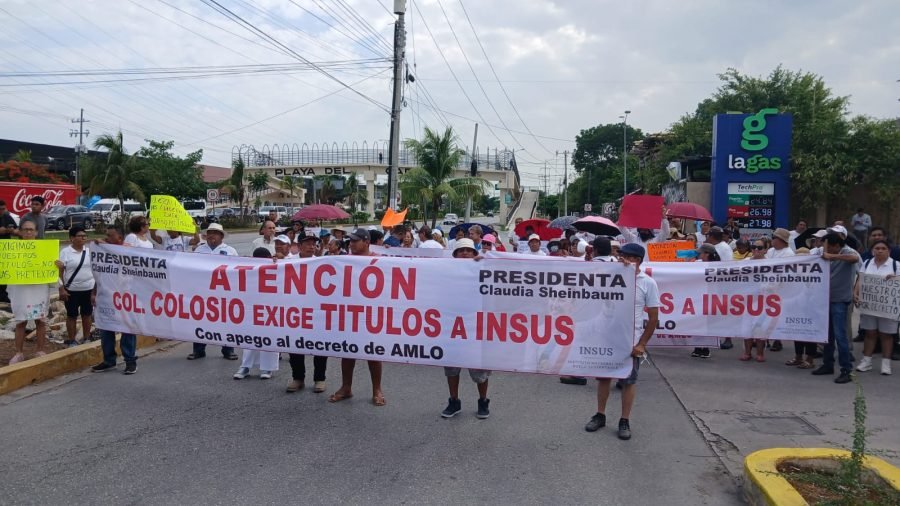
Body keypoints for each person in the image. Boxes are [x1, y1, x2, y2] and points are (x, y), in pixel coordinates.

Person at [584, 243, 660, 440]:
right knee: (603, 378)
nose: (621, 260)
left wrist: (642, 344)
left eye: (627, 257)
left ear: (637, 261)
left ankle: (624, 420)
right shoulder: (611, 277)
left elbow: (653, 318)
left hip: (630, 341)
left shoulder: (647, 283)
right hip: (607, 337)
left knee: (628, 381)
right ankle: (600, 414)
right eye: (620, 256)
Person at [329, 228, 386, 406]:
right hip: (350, 311)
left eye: (355, 241)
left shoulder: (381, 260)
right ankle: (346, 387)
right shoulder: (343, 260)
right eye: (350, 241)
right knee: (347, 351)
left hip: (371, 312)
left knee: (373, 352)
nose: (351, 244)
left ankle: (377, 389)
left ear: (366, 242)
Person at [441, 238, 492, 419]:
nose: (464, 253)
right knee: (452, 368)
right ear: (454, 255)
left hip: (475, 326)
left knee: (480, 370)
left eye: (468, 250)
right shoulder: (446, 273)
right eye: (460, 250)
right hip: (452, 326)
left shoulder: (483, 270)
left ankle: (483, 401)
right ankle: (454, 401)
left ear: (474, 253)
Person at [810, 233, 859, 383]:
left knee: (840, 336)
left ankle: (846, 369)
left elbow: (854, 259)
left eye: (829, 246)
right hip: (825, 300)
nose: (826, 249)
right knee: (827, 336)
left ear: (837, 245)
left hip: (840, 301)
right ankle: (828, 364)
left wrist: (832, 256)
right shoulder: (825, 253)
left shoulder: (848, 252)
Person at [90, 226, 140, 374]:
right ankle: (109, 360)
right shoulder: (103, 251)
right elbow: (99, 273)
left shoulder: (128, 251)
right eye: (105, 235)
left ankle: (130, 361)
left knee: (127, 329)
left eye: (109, 236)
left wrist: (104, 246)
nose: (106, 238)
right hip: (106, 297)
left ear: (119, 238)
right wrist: (94, 292)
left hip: (125, 297)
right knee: (106, 328)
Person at [286, 233, 328, 393]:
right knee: (295, 346)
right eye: (308, 243)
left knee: (320, 347)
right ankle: (298, 378)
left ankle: (319, 379)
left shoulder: (323, 262)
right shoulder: (289, 262)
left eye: (313, 243)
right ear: (299, 245)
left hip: (317, 311)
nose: (311, 246)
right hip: (295, 310)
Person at [189, 223, 238, 360]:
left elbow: (237, 272)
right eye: (209, 232)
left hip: (223, 292)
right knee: (200, 320)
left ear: (221, 236)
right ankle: (199, 350)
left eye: (215, 233)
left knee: (226, 321)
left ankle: (228, 349)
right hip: (203, 291)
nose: (211, 235)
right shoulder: (199, 250)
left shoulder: (230, 251)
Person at [6, 220, 51, 364]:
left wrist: (58, 267)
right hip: (20, 290)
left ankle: (40, 350)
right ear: (20, 231)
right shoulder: (12, 249)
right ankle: (19, 353)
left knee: (40, 321)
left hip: (39, 289)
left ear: (36, 232)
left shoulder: (45, 249)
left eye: (31, 230)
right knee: (20, 322)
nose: (28, 232)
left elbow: (51, 270)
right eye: (25, 230)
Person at [233, 247, 281, 380]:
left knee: (269, 336)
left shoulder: (276, 266)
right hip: (252, 307)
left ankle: (267, 368)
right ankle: (245, 366)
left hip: (272, 308)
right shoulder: (249, 269)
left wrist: (278, 261)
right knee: (250, 336)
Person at [855, 240, 897, 376]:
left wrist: (895, 279)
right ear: (873, 250)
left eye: (883, 248)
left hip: (887, 307)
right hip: (869, 306)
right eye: (877, 248)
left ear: (888, 251)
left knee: (886, 335)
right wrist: (856, 293)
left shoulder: (896, 265)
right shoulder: (867, 263)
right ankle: (866, 361)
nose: (879, 250)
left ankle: (886, 363)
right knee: (870, 333)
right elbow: (860, 280)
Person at [56, 227, 94, 347]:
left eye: (85, 236)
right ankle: (72, 339)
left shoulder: (89, 251)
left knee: (87, 314)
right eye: (80, 235)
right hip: (71, 290)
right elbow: (59, 272)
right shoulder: (65, 252)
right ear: (72, 238)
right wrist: (61, 288)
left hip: (88, 288)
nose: (83, 238)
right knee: (72, 315)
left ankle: (87, 337)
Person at [691, 244, 721, 358]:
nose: (699, 254)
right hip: (698, 297)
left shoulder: (718, 266)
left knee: (707, 324)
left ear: (707, 254)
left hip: (710, 298)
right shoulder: (697, 263)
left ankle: (706, 347)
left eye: (701, 252)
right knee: (697, 322)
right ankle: (697, 347)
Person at [0, 199, 19, 303]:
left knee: (4, 273)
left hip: (5, 249)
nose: (2, 211)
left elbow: (17, 230)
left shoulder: (6, 216)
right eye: (0, 209)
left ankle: (3, 295)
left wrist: (12, 231)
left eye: (3, 209)